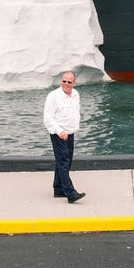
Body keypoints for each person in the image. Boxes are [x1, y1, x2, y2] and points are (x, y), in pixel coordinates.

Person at [43, 70, 85, 203]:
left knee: (66, 161)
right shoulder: (53, 96)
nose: (66, 84)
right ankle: (70, 193)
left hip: (70, 133)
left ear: (74, 83)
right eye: (64, 81)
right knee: (63, 162)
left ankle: (58, 188)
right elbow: (47, 118)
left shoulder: (76, 95)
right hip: (59, 134)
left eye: (69, 82)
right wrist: (59, 131)